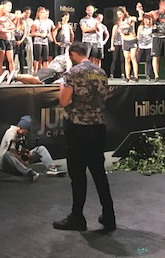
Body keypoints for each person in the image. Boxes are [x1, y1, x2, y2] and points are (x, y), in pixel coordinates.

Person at [53, 42, 116, 233]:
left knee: (78, 174)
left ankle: (77, 217)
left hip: (78, 128)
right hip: (98, 126)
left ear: (73, 54)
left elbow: (64, 100)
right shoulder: (101, 72)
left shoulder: (73, 73)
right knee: (99, 173)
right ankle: (109, 215)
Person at [0, 115, 65, 181]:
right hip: (5, 164)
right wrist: (23, 162)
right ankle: (29, 173)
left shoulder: (21, 134)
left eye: (25, 133)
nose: (24, 134)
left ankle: (52, 168)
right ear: (19, 127)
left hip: (18, 163)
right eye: (23, 132)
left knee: (41, 148)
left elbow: (19, 149)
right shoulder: (11, 132)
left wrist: (26, 152)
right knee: (7, 154)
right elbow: (13, 152)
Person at [137, 0, 165, 82]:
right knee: (155, 57)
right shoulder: (155, 13)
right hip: (156, 37)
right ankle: (156, 76)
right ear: (162, 5)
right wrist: (140, 10)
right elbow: (144, 15)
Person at [0, 1, 19, 79]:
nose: (6, 11)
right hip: (2, 40)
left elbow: (13, 27)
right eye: (5, 10)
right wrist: (4, 29)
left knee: (11, 59)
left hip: (9, 40)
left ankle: (12, 75)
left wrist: (5, 29)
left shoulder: (7, 18)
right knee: (1, 59)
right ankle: (0, 75)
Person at [116, 7, 138, 82]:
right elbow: (121, 34)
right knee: (127, 59)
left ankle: (136, 76)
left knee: (133, 57)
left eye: (120, 14)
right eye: (118, 15)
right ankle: (127, 77)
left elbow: (137, 19)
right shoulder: (119, 22)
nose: (119, 16)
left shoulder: (129, 19)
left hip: (132, 40)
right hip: (125, 41)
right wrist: (123, 43)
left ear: (124, 13)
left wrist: (137, 15)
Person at [31, 7, 54, 73]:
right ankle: (35, 72)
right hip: (38, 42)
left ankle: (45, 73)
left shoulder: (46, 22)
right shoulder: (36, 22)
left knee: (45, 58)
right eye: (41, 12)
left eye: (44, 12)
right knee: (37, 58)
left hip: (45, 42)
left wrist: (50, 36)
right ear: (38, 13)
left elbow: (48, 31)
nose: (43, 14)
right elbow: (32, 32)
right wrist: (41, 35)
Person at [136, 15, 153, 81]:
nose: (146, 21)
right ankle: (134, 74)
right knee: (137, 59)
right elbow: (138, 36)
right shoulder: (140, 27)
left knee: (148, 60)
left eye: (147, 19)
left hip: (149, 46)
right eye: (145, 19)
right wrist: (137, 45)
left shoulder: (152, 27)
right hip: (141, 45)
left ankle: (148, 75)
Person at [21, 6, 34, 72]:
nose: (28, 14)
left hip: (28, 38)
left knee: (30, 54)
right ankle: (17, 69)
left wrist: (32, 33)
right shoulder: (20, 19)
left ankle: (30, 70)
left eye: (29, 13)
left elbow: (33, 29)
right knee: (19, 54)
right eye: (26, 13)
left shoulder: (31, 20)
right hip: (20, 37)